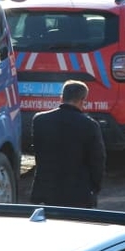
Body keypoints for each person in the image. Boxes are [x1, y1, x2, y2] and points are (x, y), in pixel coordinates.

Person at [30, 80, 106, 208]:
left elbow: (38, 154)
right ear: (82, 101)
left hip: (46, 192)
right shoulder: (89, 125)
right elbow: (98, 160)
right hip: (78, 195)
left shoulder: (40, 120)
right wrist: (94, 187)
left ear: (61, 98)